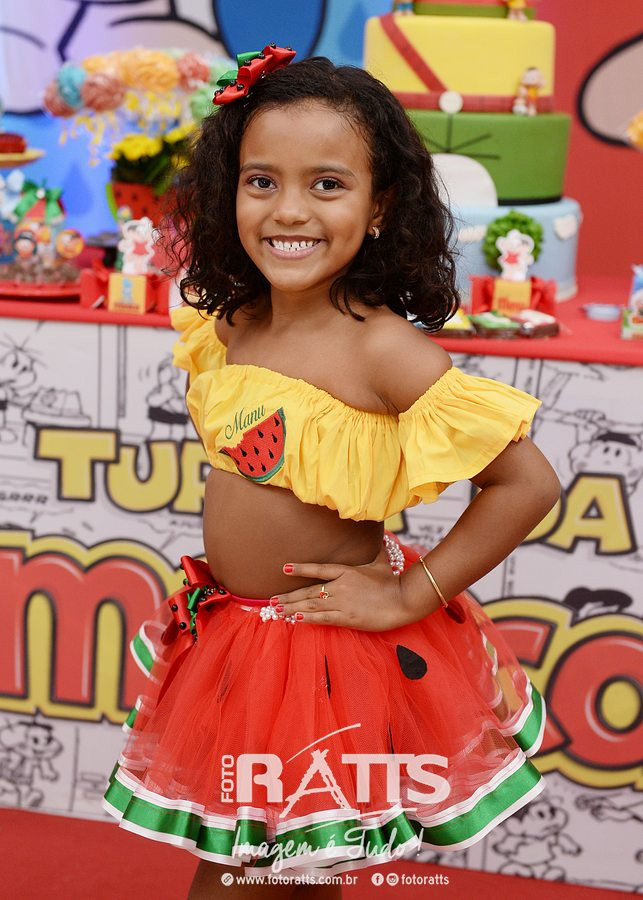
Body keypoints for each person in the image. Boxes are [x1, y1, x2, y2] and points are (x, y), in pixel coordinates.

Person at [102, 47, 561, 899]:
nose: (289, 210)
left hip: (320, 656)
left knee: (248, 875)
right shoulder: (234, 322)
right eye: (261, 181)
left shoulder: (382, 348)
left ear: (379, 205)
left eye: (326, 184)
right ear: (228, 192)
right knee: (291, 865)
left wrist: (408, 594)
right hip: (239, 640)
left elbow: (526, 484)